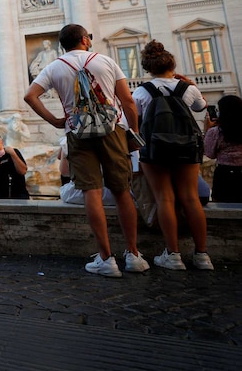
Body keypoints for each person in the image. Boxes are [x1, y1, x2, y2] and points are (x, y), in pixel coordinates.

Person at [24, 24, 149, 277]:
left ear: (62, 45)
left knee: (92, 192)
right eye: (89, 38)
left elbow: (30, 96)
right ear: (84, 40)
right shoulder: (105, 61)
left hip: (77, 132)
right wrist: (133, 132)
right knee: (123, 191)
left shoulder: (54, 67)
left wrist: (55, 120)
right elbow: (128, 101)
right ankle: (133, 254)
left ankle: (106, 259)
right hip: (113, 130)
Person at [133, 40, 212, 270]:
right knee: (190, 198)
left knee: (164, 199)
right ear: (172, 65)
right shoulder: (187, 89)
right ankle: (202, 256)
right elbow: (201, 107)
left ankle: (174, 255)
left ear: (148, 69)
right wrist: (189, 83)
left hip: (155, 148)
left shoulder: (141, 91)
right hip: (187, 146)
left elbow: (134, 119)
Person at [205, 95, 242, 203]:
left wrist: (207, 130)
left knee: (223, 204)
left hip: (225, 173)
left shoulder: (216, 132)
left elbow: (209, 153)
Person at [0, 133, 30, 199]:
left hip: (19, 194)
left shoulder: (13, 152)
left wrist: (13, 154)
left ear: (1, 142)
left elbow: (22, 171)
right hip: (1, 195)